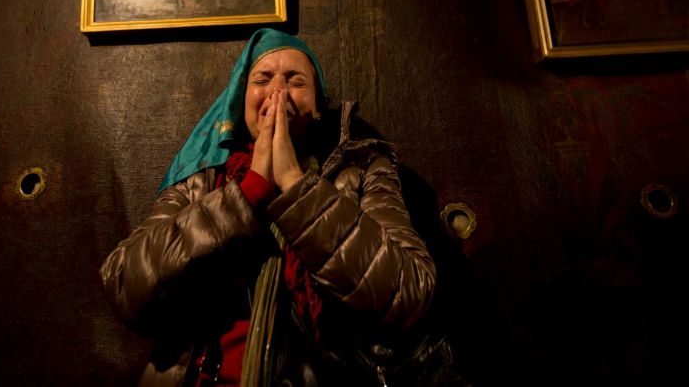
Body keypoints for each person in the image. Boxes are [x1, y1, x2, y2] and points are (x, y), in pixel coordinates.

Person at [100, 29, 438, 386]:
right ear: (241, 101)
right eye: (263, 79)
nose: (278, 92)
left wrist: (295, 185)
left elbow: (409, 292)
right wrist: (248, 193)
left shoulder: (364, 169)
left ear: (319, 107)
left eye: (295, 81)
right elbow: (125, 285)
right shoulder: (202, 178)